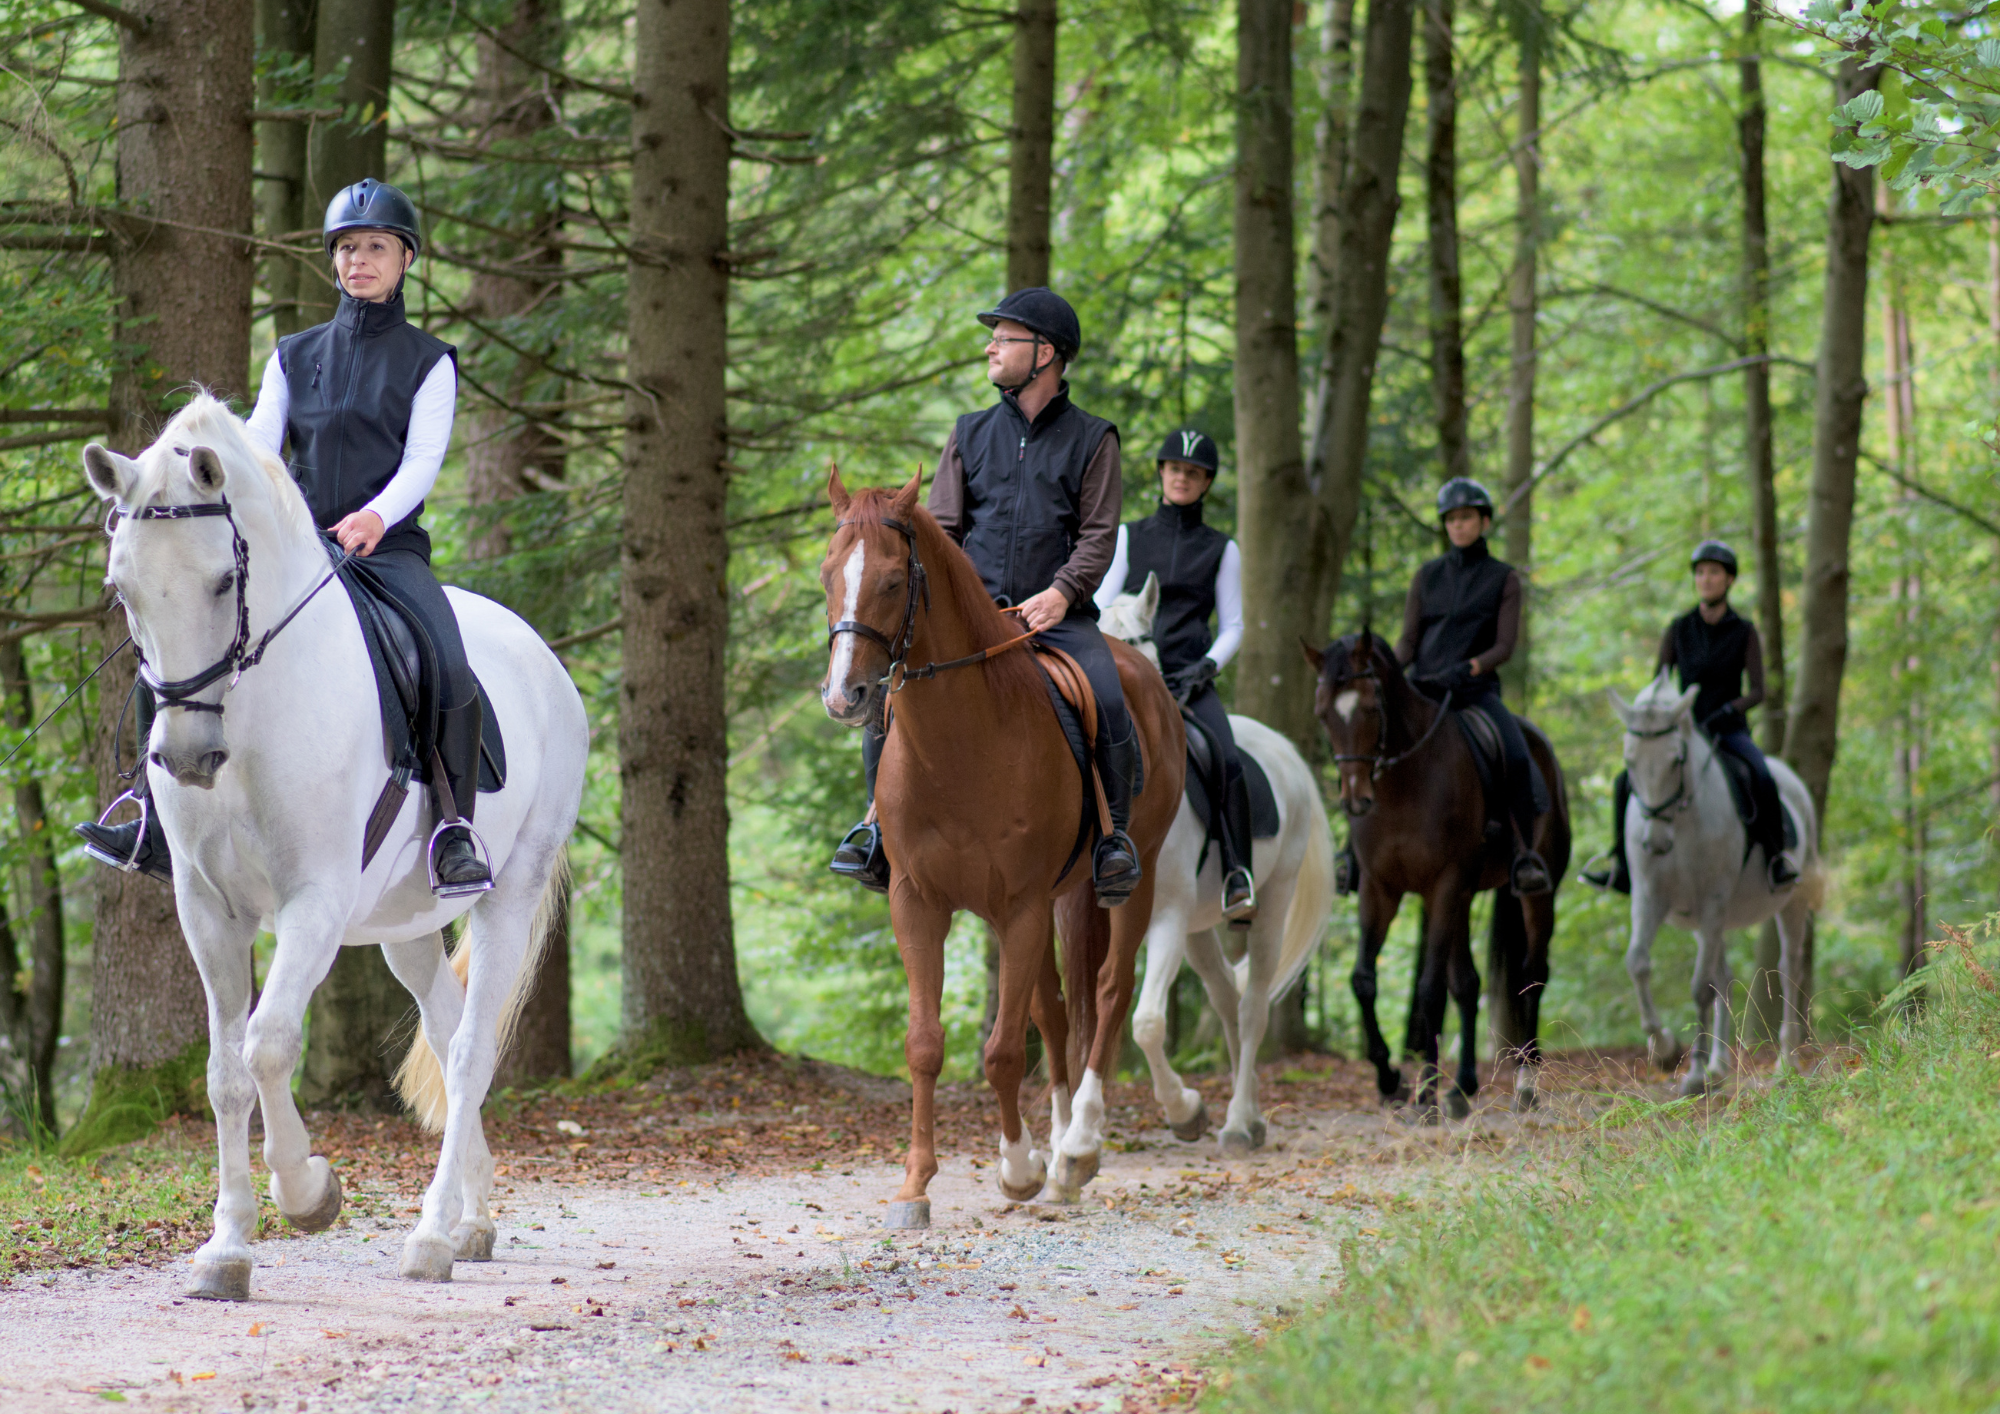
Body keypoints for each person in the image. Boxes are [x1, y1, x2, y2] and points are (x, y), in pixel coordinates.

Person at [79, 178, 492, 897]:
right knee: (174, 643)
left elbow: (424, 460)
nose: (358, 260)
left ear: (405, 259)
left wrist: (375, 517)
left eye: (374, 248)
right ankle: (149, 815)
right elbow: (260, 450)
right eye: (346, 248)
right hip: (300, 552)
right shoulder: (294, 356)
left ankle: (454, 827)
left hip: (385, 550)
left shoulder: (430, 362)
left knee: (446, 659)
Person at [829, 287, 1143, 905]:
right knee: (891, 699)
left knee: (1108, 695)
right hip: (974, 622)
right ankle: (874, 829)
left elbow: (1099, 534)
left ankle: (1113, 839)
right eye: (992, 338)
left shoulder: (1093, 438)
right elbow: (943, 533)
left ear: (1044, 352)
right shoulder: (969, 433)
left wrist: (1061, 593)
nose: (990, 348)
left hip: (1054, 617)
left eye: (1003, 338)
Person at [1093, 427, 1255, 921]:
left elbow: (1233, 625)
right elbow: (1100, 603)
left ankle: (1236, 873)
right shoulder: (1128, 535)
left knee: (1227, 759)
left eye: (1194, 473)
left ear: (1206, 483)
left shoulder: (1222, 548)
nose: (1182, 478)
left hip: (1189, 680)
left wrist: (1207, 666)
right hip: (1128, 673)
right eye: (1175, 469)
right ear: (1162, 473)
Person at [1583, 540, 1797, 893]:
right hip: (1682, 729)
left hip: (1727, 730)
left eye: (1714, 572)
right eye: (1700, 572)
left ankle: (1776, 859)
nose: (1706, 579)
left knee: (1761, 774)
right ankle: (1621, 863)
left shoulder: (1744, 631)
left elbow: (1758, 691)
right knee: (1624, 781)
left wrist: (1730, 710)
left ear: (1729, 580)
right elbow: (1660, 681)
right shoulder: (1679, 628)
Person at [1390, 478, 1553, 896]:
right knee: (1373, 745)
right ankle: (1353, 856)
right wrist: (1388, 670)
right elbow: (1408, 641)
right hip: (1424, 688)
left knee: (1516, 755)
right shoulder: (1426, 577)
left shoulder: (1503, 578)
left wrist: (1471, 668)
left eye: (1466, 518)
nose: (1459, 526)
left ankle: (1523, 855)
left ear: (1483, 521)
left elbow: (1504, 645)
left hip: (1474, 692)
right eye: (1451, 520)